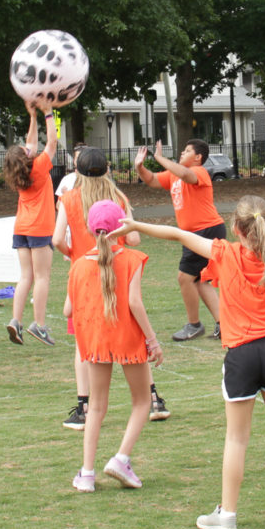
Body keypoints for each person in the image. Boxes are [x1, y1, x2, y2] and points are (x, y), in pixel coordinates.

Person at [120, 184, 265, 529]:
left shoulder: (224, 252)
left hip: (242, 355)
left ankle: (227, 515)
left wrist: (135, 226)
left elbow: (177, 234)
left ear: (236, 229)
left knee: (236, 439)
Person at [52, 147, 169, 428]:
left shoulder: (68, 198)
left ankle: (84, 406)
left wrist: (73, 254)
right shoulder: (118, 197)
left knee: (84, 342)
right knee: (133, 337)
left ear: (77, 171)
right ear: (107, 170)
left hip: (85, 273)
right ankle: (153, 398)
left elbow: (56, 240)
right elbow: (135, 239)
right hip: (118, 271)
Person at [66, 200, 163, 492]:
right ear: (120, 228)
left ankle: (87, 473)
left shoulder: (79, 265)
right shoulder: (132, 258)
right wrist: (152, 340)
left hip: (97, 341)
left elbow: (68, 310)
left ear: (89, 228)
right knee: (142, 401)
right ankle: (121, 458)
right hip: (127, 337)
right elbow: (134, 302)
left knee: (96, 406)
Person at [134, 139, 225, 341]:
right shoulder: (173, 175)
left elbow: (185, 175)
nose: (182, 153)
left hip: (205, 230)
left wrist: (159, 157)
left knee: (185, 278)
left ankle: (194, 325)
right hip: (194, 233)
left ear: (198, 157)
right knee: (201, 280)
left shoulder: (199, 171)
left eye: (187, 151)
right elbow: (152, 180)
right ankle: (223, 324)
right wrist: (140, 167)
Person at [5, 103, 58, 345]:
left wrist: (32, 116)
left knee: (25, 276)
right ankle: (39, 325)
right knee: (42, 277)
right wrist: (48, 113)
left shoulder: (19, 173)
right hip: (39, 227)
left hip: (21, 228)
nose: (28, 148)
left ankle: (16, 321)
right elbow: (51, 143)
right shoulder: (38, 167)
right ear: (24, 157)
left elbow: (31, 144)